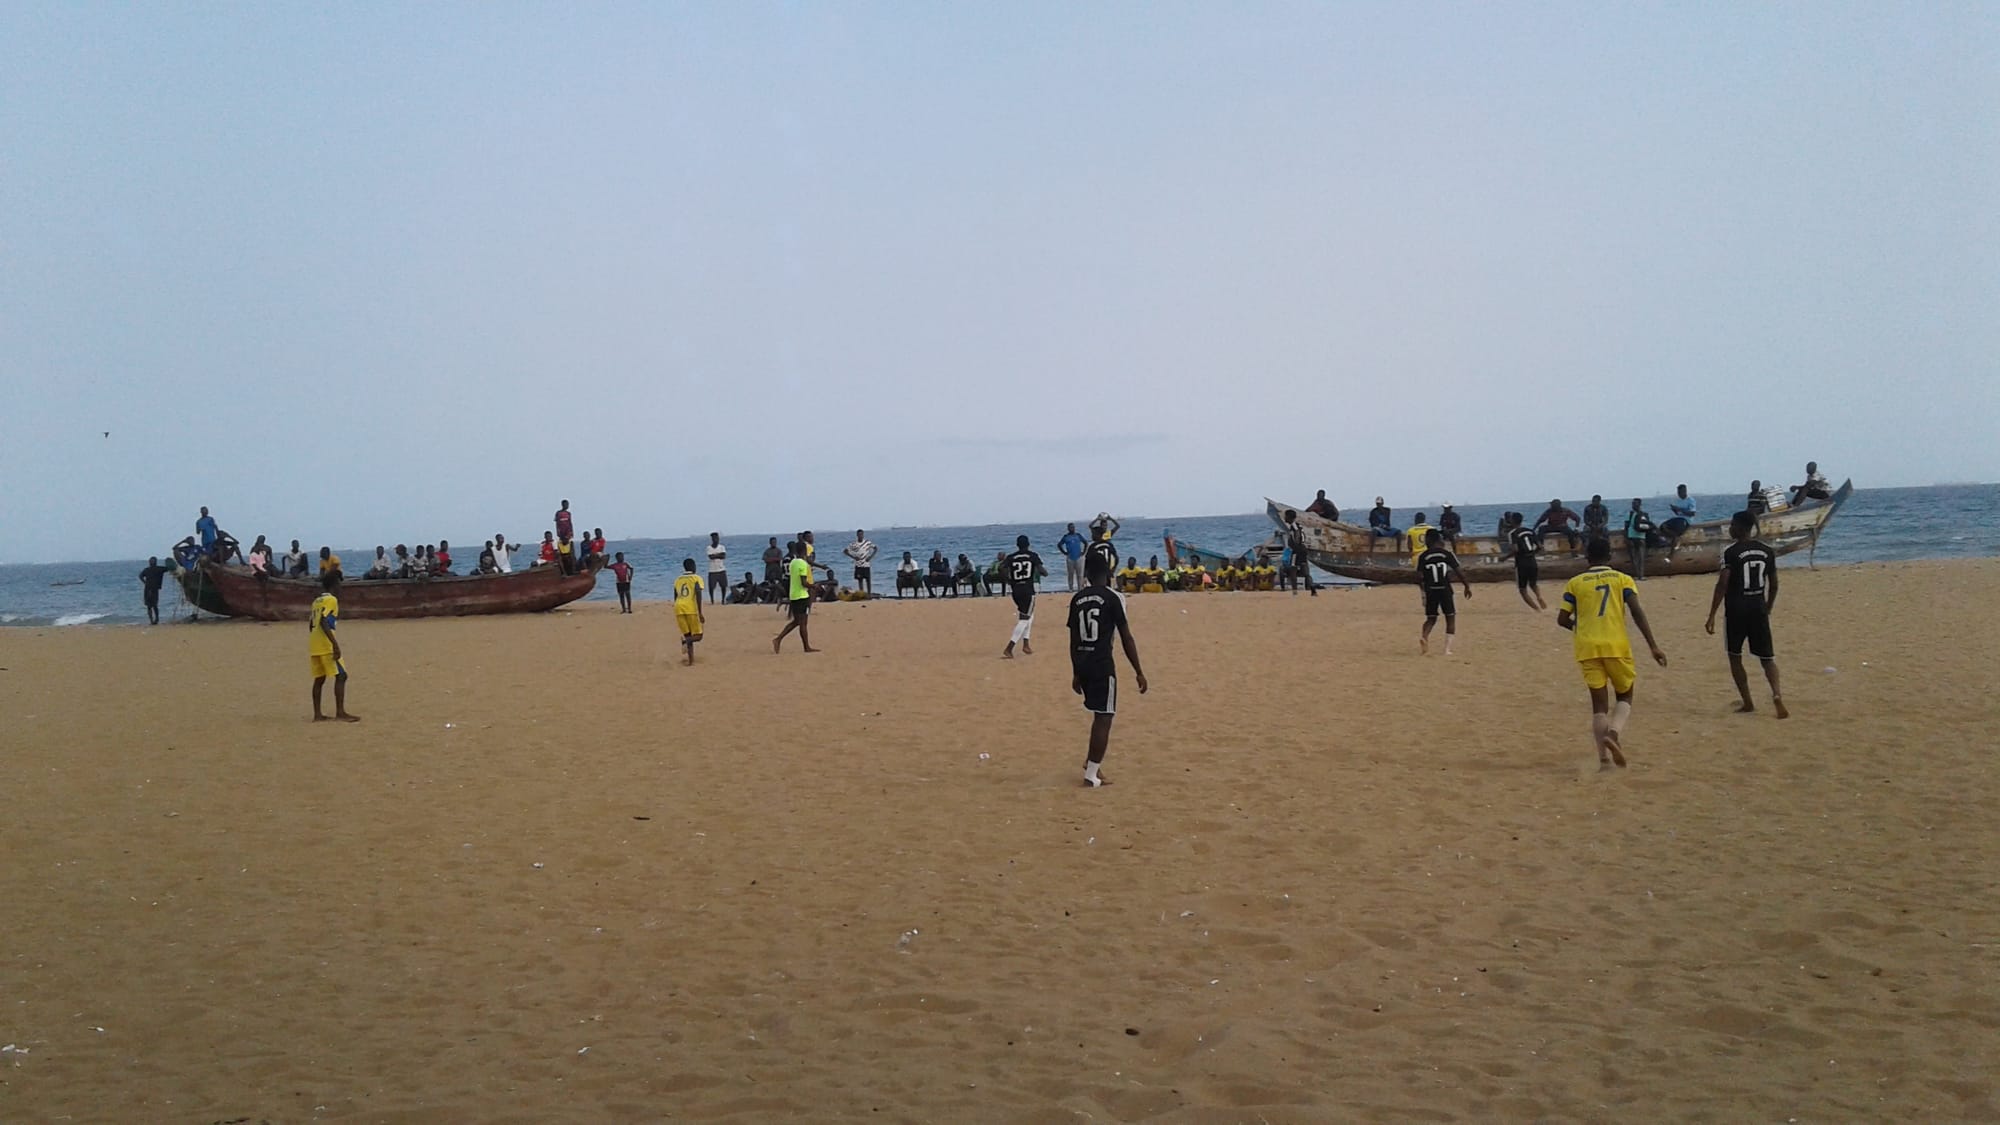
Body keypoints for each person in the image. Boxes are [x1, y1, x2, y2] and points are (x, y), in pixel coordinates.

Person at [1557, 538, 1667, 768]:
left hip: (1587, 647)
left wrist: (1581, 627)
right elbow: (1636, 611)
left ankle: (1603, 760)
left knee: (1598, 704)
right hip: (1616, 645)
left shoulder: (1575, 583)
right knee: (1625, 695)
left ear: (1588, 557)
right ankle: (1614, 734)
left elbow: (1562, 619)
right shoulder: (1622, 579)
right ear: (1610, 556)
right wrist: (1653, 645)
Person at [1067, 552, 1148, 788]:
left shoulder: (1077, 598)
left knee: (1098, 713)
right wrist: (1138, 670)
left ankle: (1092, 764)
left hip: (1082, 661)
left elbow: (1073, 639)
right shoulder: (1113, 598)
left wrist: (1075, 671)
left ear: (1087, 574)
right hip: (1102, 663)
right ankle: (1091, 774)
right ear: (1109, 573)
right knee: (1104, 716)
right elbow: (1126, 637)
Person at [1705, 511, 1787, 718]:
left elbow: (1722, 583)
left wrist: (1712, 614)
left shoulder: (1731, 552)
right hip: (1758, 607)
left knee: (1735, 656)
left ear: (1741, 528)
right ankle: (1777, 694)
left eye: (1732, 525)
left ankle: (1748, 702)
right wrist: (1768, 607)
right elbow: (1774, 584)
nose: (1730, 529)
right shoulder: (1767, 551)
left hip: (1736, 610)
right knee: (1767, 657)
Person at [308, 570, 360, 723]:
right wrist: (335, 645)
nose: (341, 588)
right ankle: (340, 712)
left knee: (319, 678)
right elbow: (324, 621)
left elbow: (313, 622)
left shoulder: (316, 601)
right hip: (325, 644)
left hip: (314, 644)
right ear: (335, 584)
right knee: (341, 675)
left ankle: (317, 714)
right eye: (340, 584)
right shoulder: (332, 600)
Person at [1416, 529, 1474, 655]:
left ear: (1429, 540)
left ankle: (1424, 636)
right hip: (1445, 589)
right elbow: (1458, 571)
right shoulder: (1447, 554)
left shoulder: (1423, 556)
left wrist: (1423, 594)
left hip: (1431, 590)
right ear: (1439, 540)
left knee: (1431, 618)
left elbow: (1419, 577)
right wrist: (1467, 586)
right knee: (1450, 617)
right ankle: (1447, 649)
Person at [1000, 534, 1045, 658]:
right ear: (1028, 544)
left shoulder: (1011, 557)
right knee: (1024, 619)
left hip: (1016, 590)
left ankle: (1026, 644)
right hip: (1028, 590)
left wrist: (1009, 580)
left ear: (1017, 545)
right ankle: (1010, 647)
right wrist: (1044, 572)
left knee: (1028, 614)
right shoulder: (1032, 556)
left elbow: (1001, 567)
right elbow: (1042, 570)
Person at [772, 541, 819, 653]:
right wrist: (814, 586)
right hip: (802, 596)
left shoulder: (793, 562)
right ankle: (806, 647)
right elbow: (803, 582)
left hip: (793, 595)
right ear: (805, 551)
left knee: (797, 621)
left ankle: (778, 639)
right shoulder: (802, 564)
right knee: (802, 623)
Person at [1501, 513, 1546, 610]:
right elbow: (1540, 547)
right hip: (1532, 561)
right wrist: (1532, 553)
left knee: (1522, 589)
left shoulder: (1512, 533)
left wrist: (1505, 558)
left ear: (1512, 521)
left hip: (1521, 563)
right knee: (1533, 584)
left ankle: (1536, 609)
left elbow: (1515, 549)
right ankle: (1539, 596)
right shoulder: (1530, 531)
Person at [673, 558, 705, 664]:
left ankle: (691, 661)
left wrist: (677, 607)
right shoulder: (696, 578)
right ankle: (685, 641)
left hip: (678, 607)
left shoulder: (678, 579)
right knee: (698, 636)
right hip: (690, 608)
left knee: (688, 634)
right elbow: (698, 594)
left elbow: (675, 596)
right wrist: (700, 612)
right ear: (693, 567)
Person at [1280, 509, 1319, 595]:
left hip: (1297, 550)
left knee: (1293, 568)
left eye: (1286, 516)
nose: (1284, 518)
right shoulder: (1297, 525)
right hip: (1302, 549)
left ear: (1290, 517)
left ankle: (1295, 591)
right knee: (1305, 570)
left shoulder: (1294, 526)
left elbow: (1297, 534)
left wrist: (1296, 544)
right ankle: (1312, 589)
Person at [1623, 499, 1655, 580]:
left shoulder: (1631, 514)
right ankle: (1640, 575)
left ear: (1639, 505)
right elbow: (1648, 525)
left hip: (1633, 536)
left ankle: (1638, 575)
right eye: (1633, 504)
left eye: (1634, 504)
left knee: (1635, 557)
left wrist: (1626, 537)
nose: (1633, 506)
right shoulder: (1644, 514)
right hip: (1640, 537)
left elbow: (1626, 526)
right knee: (1640, 557)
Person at [1662, 485, 1697, 558]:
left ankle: (1672, 552)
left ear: (1684, 491)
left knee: (1678, 528)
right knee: (1663, 526)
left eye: (1680, 492)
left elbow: (1692, 513)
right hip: (1678, 518)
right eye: (1678, 492)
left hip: (1686, 520)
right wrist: (1674, 509)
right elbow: (1677, 513)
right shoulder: (1678, 501)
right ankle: (1674, 537)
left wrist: (1680, 509)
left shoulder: (1690, 500)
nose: (1678, 494)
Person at [138, 556, 170, 625]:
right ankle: (152, 620)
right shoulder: (147, 570)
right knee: (149, 606)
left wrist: (145, 583)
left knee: (154, 605)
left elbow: (168, 568)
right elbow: (140, 576)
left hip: (153, 589)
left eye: (152, 561)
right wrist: (145, 583)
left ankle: (156, 619)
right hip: (148, 589)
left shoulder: (158, 569)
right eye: (150, 561)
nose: (151, 562)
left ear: (155, 562)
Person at [1057, 523, 1087, 591]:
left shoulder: (1078, 535)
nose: (1072, 529)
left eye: (1073, 527)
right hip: (1070, 558)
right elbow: (1059, 545)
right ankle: (1071, 588)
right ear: (1068, 528)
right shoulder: (1066, 537)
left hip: (1079, 557)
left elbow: (1085, 543)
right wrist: (1064, 552)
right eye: (1070, 527)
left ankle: (1080, 588)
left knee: (1080, 574)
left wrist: (1084, 552)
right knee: (1070, 574)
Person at [705, 533, 729, 605]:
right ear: (712, 539)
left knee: (724, 586)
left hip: (721, 569)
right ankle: (712, 600)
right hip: (712, 570)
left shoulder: (722, 547)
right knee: (711, 587)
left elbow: (723, 556)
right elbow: (710, 557)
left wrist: (715, 555)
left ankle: (723, 600)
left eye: (717, 538)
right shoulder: (709, 548)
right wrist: (718, 555)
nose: (716, 540)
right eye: (715, 538)